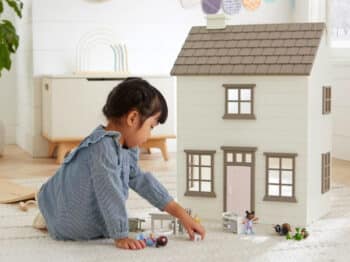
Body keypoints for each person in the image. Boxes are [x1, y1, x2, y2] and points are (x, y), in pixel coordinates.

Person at [34, 77, 205, 250]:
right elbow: (110, 192)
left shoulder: (126, 147)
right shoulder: (101, 147)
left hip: (84, 220)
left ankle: (50, 213)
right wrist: (121, 235)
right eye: (151, 127)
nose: (149, 135)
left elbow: (143, 181)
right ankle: (48, 211)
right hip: (67, 219)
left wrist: (181, 214)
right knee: (67, 189)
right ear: (132, 118)